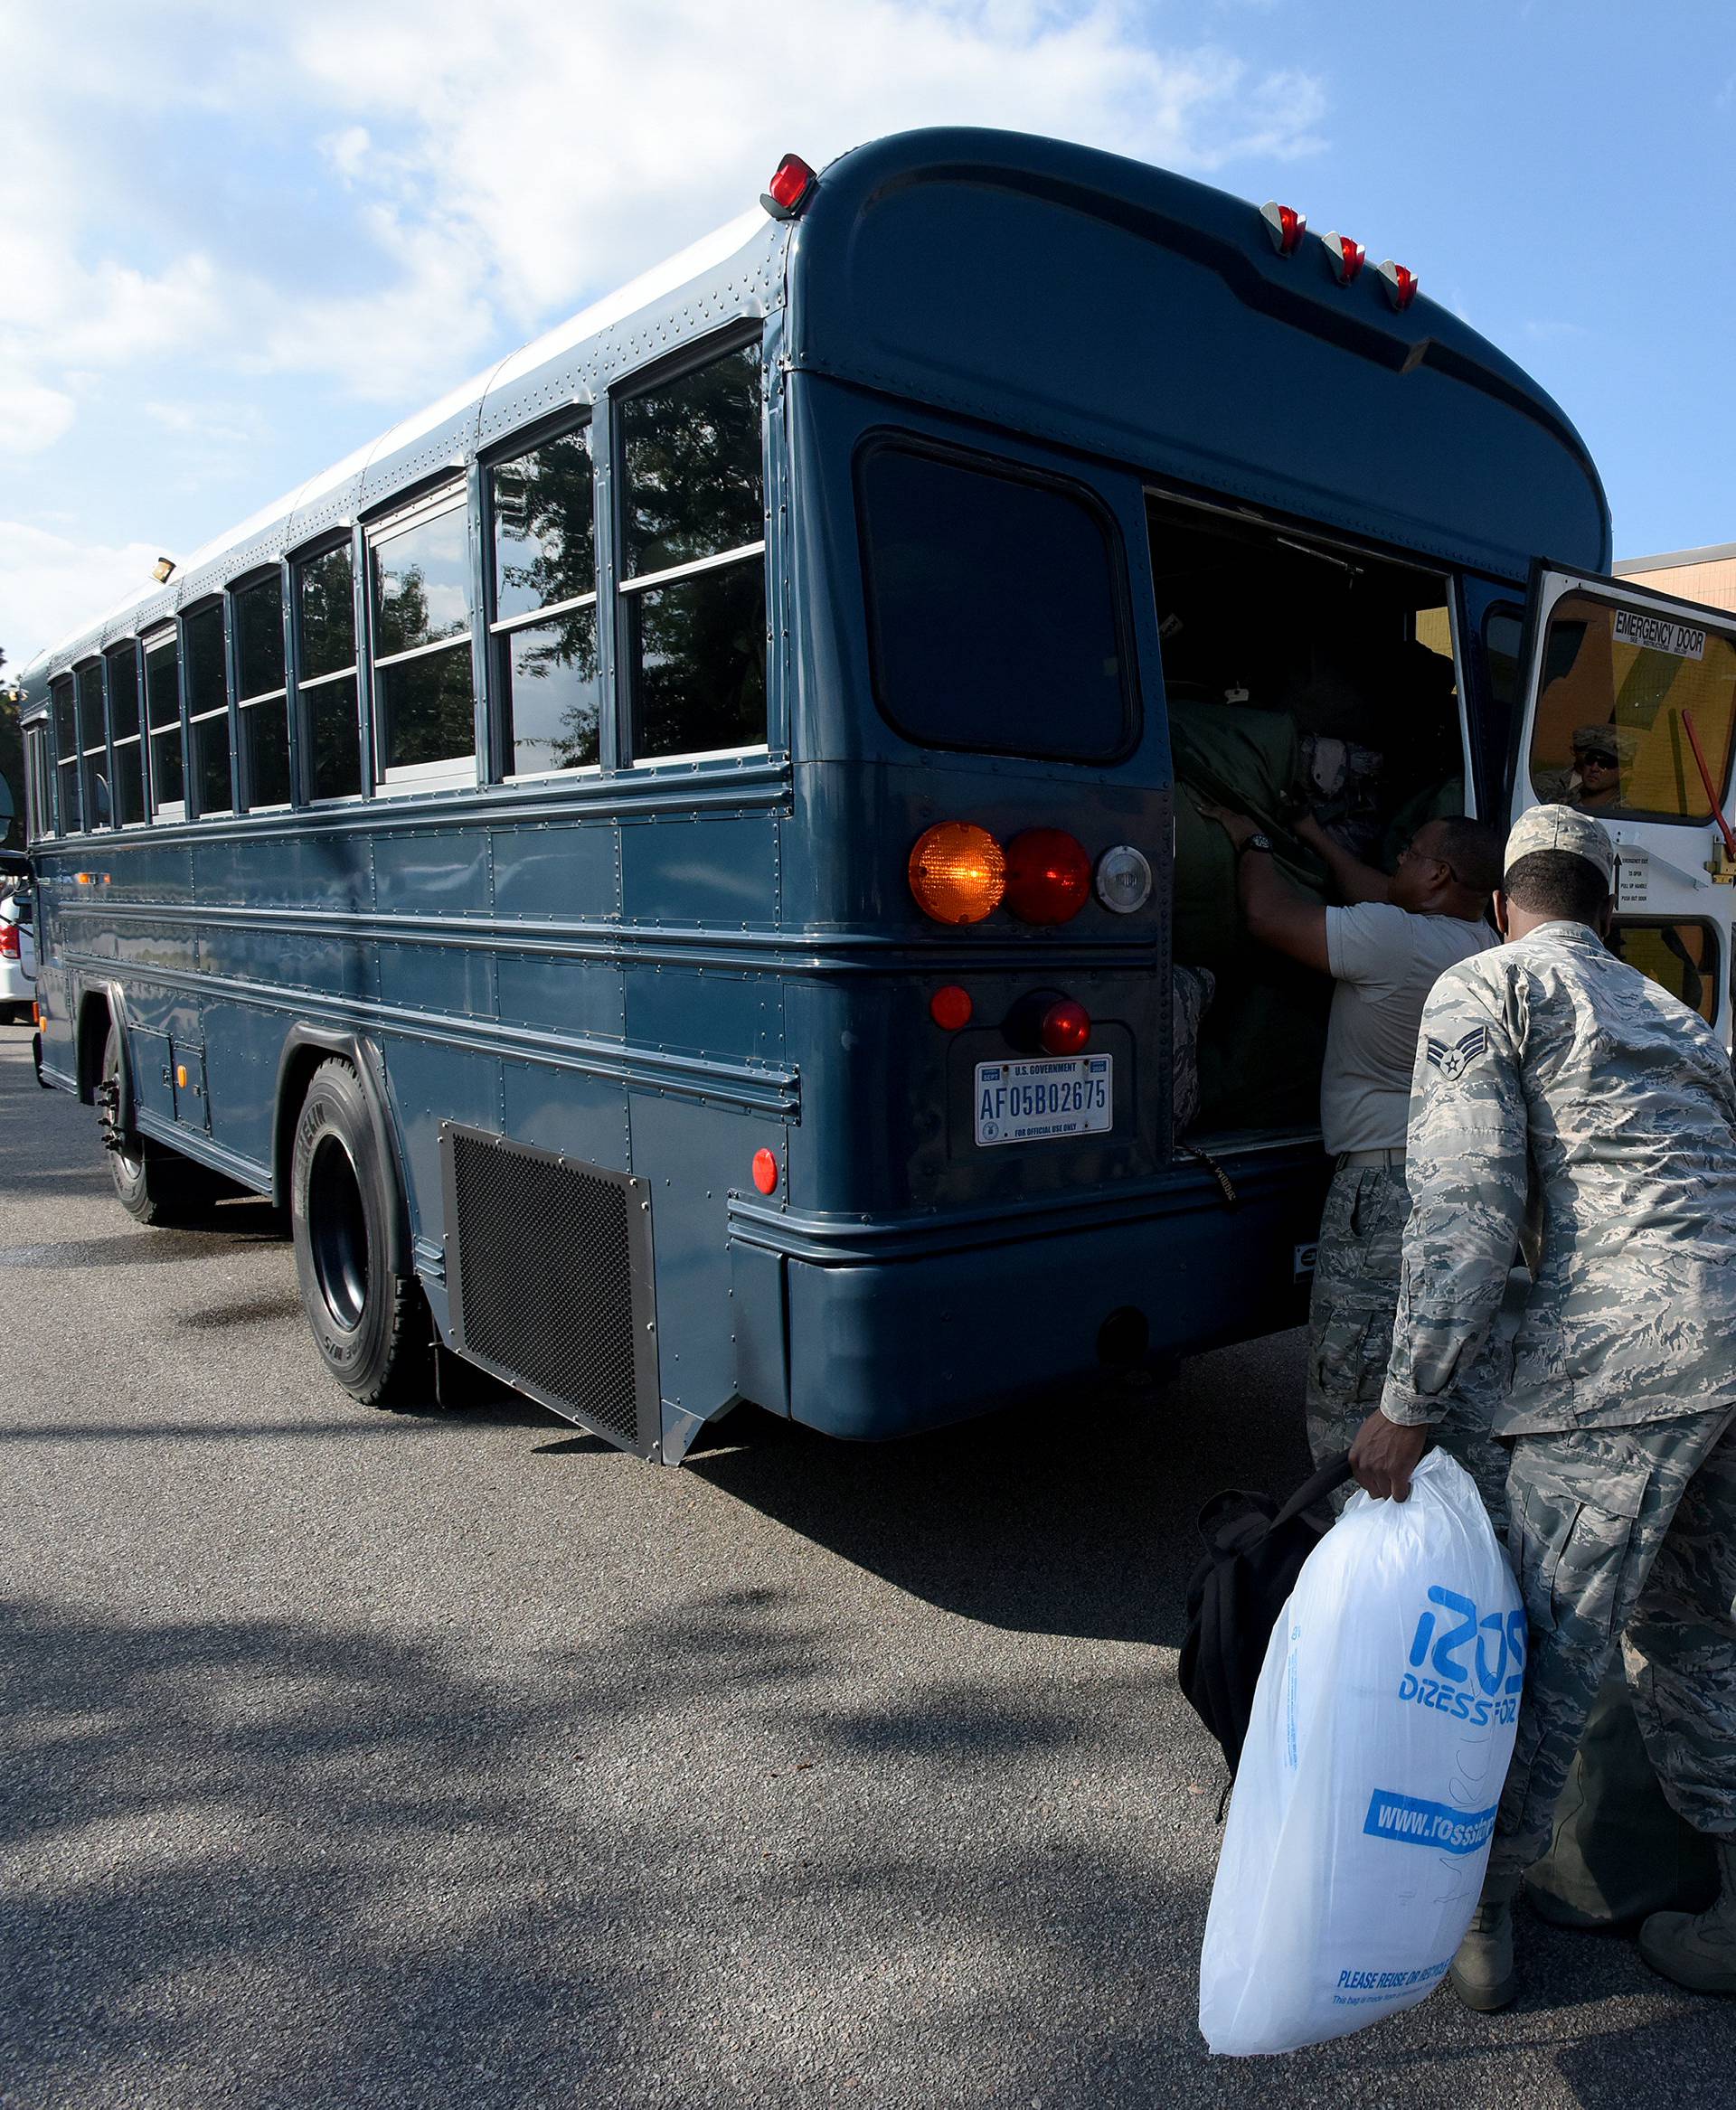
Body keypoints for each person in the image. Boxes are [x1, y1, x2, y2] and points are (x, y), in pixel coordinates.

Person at [1350, 805, 1736, 2010]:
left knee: (1522, 1651)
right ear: (1608, 909)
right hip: (1728, 1353)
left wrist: (1408, 1401)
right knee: (1699, 1631)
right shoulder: (1681, 1018)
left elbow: (1463, 1206)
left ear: (1500, 900)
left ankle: (1476, 1920)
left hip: (1619, 1364)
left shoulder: (1486, 987)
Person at [1195, 797, 1510, 1516]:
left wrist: (1254, 844)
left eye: (1408, 852)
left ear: (1436, 874)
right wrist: (1315, 837)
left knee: (1352, 1381)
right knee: (1440, 1383)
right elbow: (1378, 893)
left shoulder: (1390, 940)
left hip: (1384, 1187)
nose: (1395, 860)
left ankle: (1360, 1556)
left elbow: (1269, 918)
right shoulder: (1480, 946)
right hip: (1462, 1185)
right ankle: (1449, 1554)